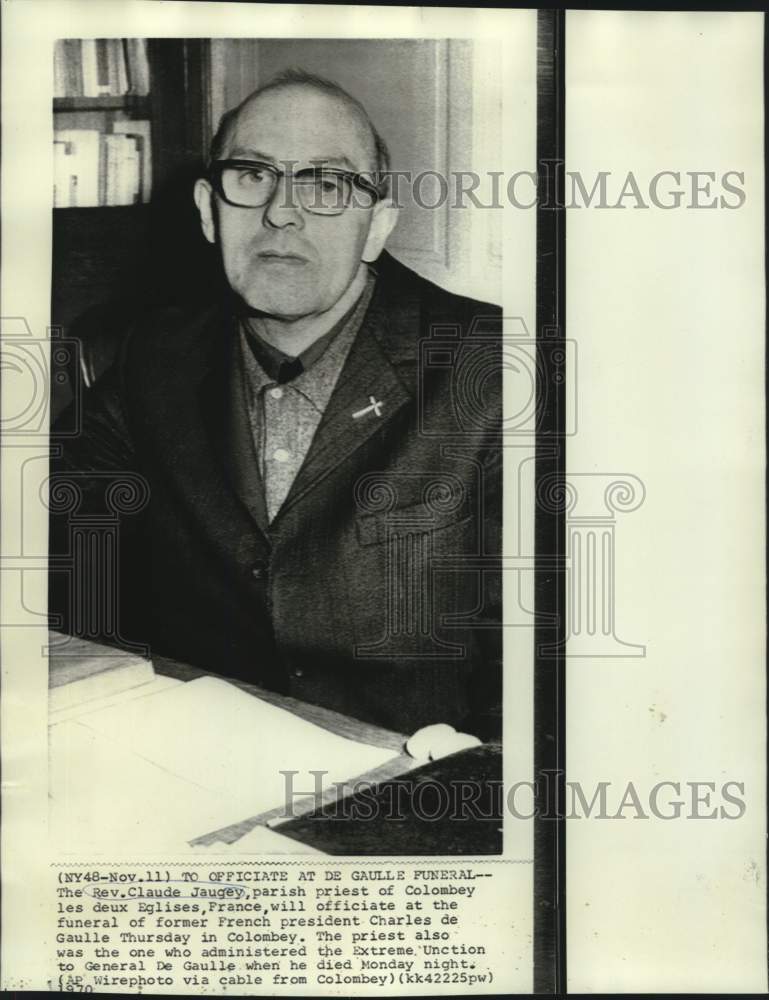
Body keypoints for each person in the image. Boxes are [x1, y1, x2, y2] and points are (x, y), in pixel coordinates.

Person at [49, 69, 502, 739]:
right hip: (202, 764)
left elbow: (545, 670)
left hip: (410, 790)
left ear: (376, 225)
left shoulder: (493, 372)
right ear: (209, 211)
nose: (281, 212)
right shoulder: (153, 356)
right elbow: (52, 536)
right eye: (253, 176)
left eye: (325, 183)